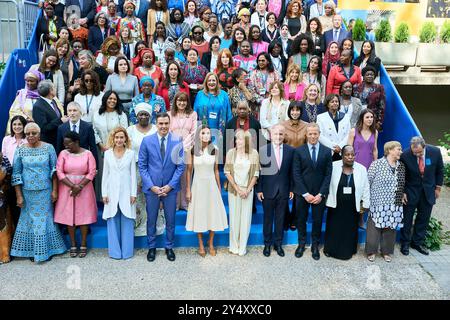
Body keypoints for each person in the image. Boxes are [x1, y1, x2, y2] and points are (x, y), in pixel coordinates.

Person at [10, 123, 67, 262]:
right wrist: (19, 195)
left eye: (34, 133)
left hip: (45, 192)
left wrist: (55, 190)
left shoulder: (49, 148)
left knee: (45, 220)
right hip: (27, 193)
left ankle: (47, 249)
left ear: (39, 134)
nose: (30, 136)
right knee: (29, 221)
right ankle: (33, 250)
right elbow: (16, 174)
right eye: (28, 133)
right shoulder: (20, 150)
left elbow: (54, 171)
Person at [139, 112, 185, 262]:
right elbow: (142, 166)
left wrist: (170, 186)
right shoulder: (147, 141)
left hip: (170, 190)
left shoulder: (177, 141)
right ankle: (151, 247)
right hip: (152, 188)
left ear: (169, 123)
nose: (164, 126)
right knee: (151, 219)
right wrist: (151, 186)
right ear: (156, 124)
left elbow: (180, 166)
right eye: (161, 123)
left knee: (171, 220)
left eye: (166, 123)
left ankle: (169, 247)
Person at [186, 125, 228, 257]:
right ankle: (200, 244)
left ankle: (210, 243)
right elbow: (189, 171)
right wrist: (188, 189)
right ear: (198, 135)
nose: (205, 135)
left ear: (211, 136)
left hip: (211, 186)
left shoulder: (215, 150)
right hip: (198, 185)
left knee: (212, 214)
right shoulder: (192, 150)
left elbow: (216, 170)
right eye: (203, 133)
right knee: (199, 213)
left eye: (208, 133)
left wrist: (219, 187)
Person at [292, 122, 332, 260]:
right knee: (301, 219)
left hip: (319, 194)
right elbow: (296, 174)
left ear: (319, 134)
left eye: (315, 133)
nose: (313, 136)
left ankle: (315, 245)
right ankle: (301, 244)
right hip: (302, 194)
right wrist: (305, 194)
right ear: (306, 134)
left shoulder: (327, 152)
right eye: (310, 133)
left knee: (317, 220)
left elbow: (328, 175)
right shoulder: (298, 151)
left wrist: (321, 194)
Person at [54, 131, 97, 258]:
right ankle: (73, 244)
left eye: (68, 144)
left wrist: (80, 186)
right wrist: (73, 186)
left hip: (85, 188)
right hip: (67, 188)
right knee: (69, 216)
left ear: (77, 142)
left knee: (84, 216)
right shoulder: (63, 154)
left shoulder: (88, 154)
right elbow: (59, 172)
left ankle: (83, 243)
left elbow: (92, 172)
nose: (66, 146)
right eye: (64, 144)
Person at [324, 145, 370, 260]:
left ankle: (349, 250)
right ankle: (330, 249)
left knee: (350, 229)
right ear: (342, 155)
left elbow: (366, 187)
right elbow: (326, 182)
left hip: (352, 206)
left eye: (352, 155)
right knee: (334, 228)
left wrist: (365, 204)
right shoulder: (333, 166)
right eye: (347, 155)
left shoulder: (361, 169)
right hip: (336, 205)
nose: (350, 157)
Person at [400, 137, 444, 256]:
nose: (417, 155)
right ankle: (405, 244)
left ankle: (417, 243)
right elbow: (401, 175)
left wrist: (438, 188)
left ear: (424, 147)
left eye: (419, 152)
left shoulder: (435, 151)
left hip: (428, 191)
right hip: (411, 191)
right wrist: (402, 191)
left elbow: (440, 170)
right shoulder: (405, 155)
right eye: (415, 153)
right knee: (407, 219)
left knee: (423, 218)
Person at [366, 141, 406, 263]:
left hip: (395, 203)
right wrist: (366, 199)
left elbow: (401, 183)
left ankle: (386, 251)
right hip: (378, 202)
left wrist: (402, 194)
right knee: (374, 227)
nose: (400, 152)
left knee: (391, 227)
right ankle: (371, 251)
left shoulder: (401, 166)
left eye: (400, 149)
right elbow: (368, 182)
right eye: (398, 149)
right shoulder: (376, 164)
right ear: (389, 150)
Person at [257, 124, 294, 257]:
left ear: (284, 136)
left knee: (280, 218)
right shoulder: (263, 150)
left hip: (283, 190)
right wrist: (259, 189)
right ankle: (267, 244)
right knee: (268, 218)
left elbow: (292, 172)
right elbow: (260, 172)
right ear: (270, 135)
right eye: (275, 134)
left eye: (280, 134)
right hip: (267, 190)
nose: (278, 136)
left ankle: (278, 244)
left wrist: (291, 189)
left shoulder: (291, 151)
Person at [102, 127, 137, 259]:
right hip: (111, 191)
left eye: (122, 137)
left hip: (127, 191)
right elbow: (105, 174)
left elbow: (133, 174)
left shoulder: (130, 153)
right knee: (112, 221)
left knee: (127, 220)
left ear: (125, 139)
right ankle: (115, 253)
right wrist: (104, 193)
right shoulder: (107, 154)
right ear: (113, 138)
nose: (119, 140)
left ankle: (127, 252)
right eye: (117, 137)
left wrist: (133, 193)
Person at [225, 129, 260, 256]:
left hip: (247, 190)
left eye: (240, 139)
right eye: (236, 138)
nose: (237, 141)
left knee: (245, 218)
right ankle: (234, 245)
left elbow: (256, 174)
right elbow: (227, 172)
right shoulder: (231, 153)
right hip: (234, 190)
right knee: (234, 218)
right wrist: (238, 189)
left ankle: (242, 247)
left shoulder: (254, 153)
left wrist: (247, 189)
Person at [127, 103, 158, 237]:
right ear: (137, 116)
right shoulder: (130, 130)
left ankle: (156, 227)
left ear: (150, 116)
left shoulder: (156, 129)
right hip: (136, 167)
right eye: (141, 114)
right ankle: (140, 227)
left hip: (154, 168)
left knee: (153, 196)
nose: (143, 117)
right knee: (138, 196)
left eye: (146, 114)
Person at [92, 91, 129, 199]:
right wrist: (100, 145)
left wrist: (114, 146)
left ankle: (116, 198)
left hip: (118, 149)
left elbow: (124, 131)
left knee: (115, 174)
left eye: (114, 99)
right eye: (110, 98)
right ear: (105, 99)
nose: (112, 101)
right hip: (101, 149)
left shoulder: (121, 114)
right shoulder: (97, 113)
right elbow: (94, 130)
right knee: (103, 174)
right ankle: (102, 199)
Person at [169, 92, 198, 211]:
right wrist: (176, 146)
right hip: (172, 150)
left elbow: (194, 131)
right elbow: (168, 131)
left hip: (187, 149)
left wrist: (185, 146)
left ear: (187, 102)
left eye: (184, 101)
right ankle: (175, 204)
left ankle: (185, 203)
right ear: (175, 102)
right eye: (179, 100)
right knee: (174, 176)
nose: (181, 103)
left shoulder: (192, 114)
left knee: (186, 174)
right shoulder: (169, 114)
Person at [56, 101, 99, 166]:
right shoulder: (61, 128)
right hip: (67, 163)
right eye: (70, 111)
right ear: (67, 113)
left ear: (80, 112)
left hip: (84, 163)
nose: (72, 113)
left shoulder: (88, 127)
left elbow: (93, 148)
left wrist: (95, 166)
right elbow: (59, 148)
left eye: (74, 110)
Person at [194, 72, 232, 138]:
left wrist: (229, 132)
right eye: (209, 80)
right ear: (206, 82)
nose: (211, 82)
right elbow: (195, 112)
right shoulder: (200, 94)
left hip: (220, 129)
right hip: (203, 129)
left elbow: (229, 114)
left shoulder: (224, 94)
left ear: (217, 82)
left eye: (213, 80)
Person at [32, 80, 67, 148]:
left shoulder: (53, 101)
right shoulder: (38, 106)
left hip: (58, 140)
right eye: (54, 87)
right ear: (51, 90)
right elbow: (43, 128)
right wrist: (61, 120)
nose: (55, 89)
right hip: (48, 144)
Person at [317, 94, 351, 161]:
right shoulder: (320, 117)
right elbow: (319, 135)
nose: (335, 103)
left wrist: (340, 146)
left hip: (342, 151)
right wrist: (333, 147)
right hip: (328, 151)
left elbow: (348, 134)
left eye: (336, 101)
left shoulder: (346, 117)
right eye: (332, 102)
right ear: (327, 104)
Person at [353, 66, 386, 132]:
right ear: (363, 76)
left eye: (372, 75)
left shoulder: (379, 87)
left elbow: (382, 105)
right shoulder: (356, 87)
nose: (370, 76)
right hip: (359, 118)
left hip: (372, 118)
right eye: (367, 74)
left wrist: (379, 122)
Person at [0, 153, 12, 264]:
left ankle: (4, 254)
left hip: (2, 196)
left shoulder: (3, 159)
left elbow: (9, 175)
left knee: (3, 225)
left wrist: (3, 188)